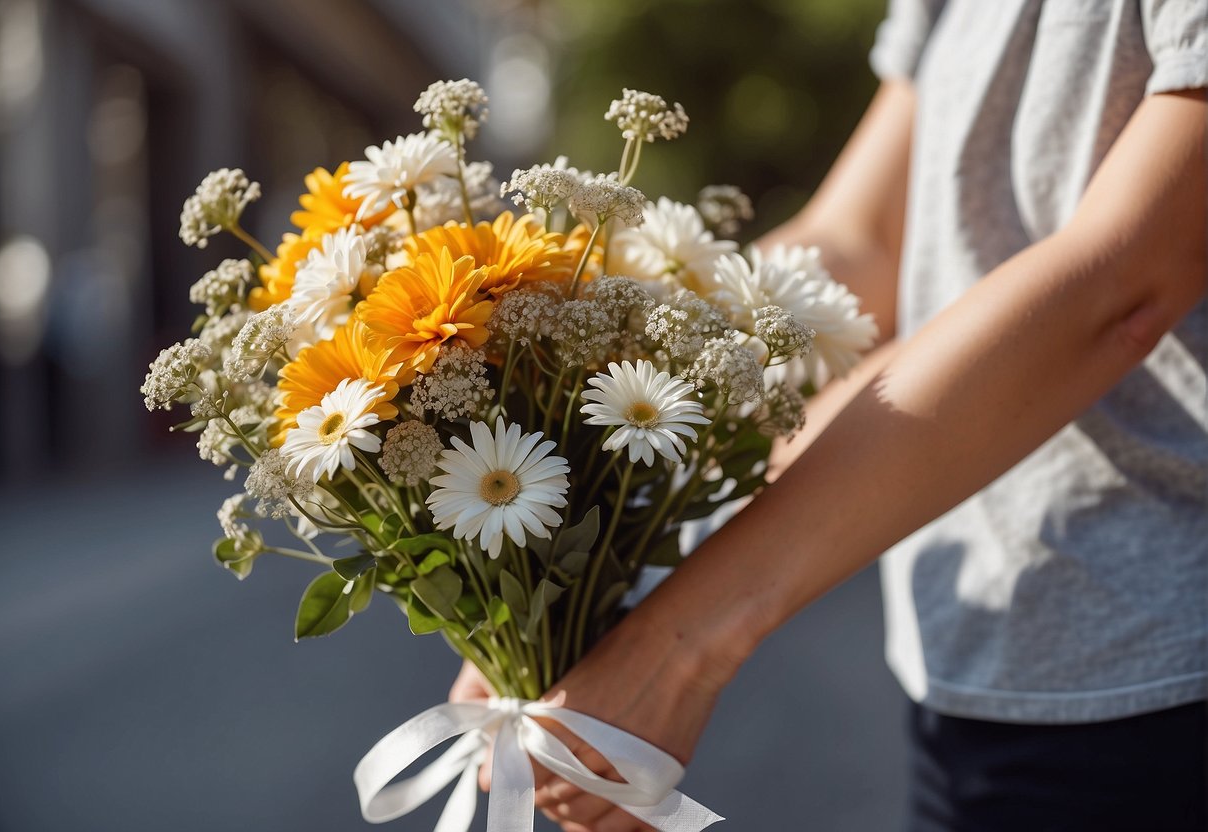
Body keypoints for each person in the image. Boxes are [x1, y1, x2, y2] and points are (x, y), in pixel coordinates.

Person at [452, 1, 1208, 829]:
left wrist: (675, 649)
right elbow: (857, 247)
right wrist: (588, 505)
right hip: (977, 671)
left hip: (1168, 677)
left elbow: (1123, 283)